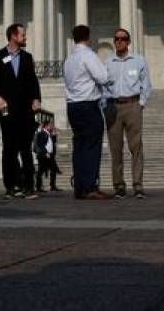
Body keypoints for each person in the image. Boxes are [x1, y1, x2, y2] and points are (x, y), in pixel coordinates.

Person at [0, 23, 42, 199]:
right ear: (13, 36)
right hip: (6, 108)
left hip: (25, 109)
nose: (25, 37)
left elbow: (33, 81)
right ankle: (11, 186)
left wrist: (36, 98)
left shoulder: (27, 57)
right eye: (22, 35)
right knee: (9, 147)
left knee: (25, 147)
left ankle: (29, 187)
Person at [63, 25, 113, 200]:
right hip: (87, 105)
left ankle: (80, 186)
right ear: (88, 37)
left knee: (79, 146)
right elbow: (103, 77)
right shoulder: (88, 55)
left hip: (72, 106)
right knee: (92, 145)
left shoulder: (69, 60)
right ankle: (91, 186)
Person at [105, 27, 153, 199]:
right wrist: (104, 104)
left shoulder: (138, 61)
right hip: (113, 106)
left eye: (123, 39)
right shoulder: (108, 62)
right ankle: (119, 186)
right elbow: (103, 85)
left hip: (133, 104)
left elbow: (146, 84)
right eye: (116, 39)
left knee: (136, 147)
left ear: (129, 42)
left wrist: (141, 103)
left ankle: (138, 186)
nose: (119, 41)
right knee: (115, 148)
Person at [33, 120, 59, 193]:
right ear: (46, 126)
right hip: (43, 155)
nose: (51, 127)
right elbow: (41, 144)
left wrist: (54, 136)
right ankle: (38, 187)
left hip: (49, 155)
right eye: (50, 125)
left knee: (53, 169)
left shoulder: (48, 133)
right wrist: (46, 152)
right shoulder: (42, 133)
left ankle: (52, 186)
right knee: (40, 171)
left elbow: (50, 144)